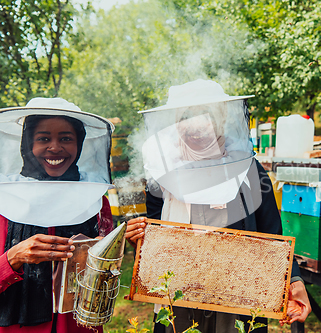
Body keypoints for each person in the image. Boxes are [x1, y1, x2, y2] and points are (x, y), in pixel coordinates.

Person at [126, 80, 311, 333]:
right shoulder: (162, 175)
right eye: (186, 117)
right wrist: (138, 239)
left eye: (206, 116)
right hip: (178, 297)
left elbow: (273, 235)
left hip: (238, 298)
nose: (195, 125)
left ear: (222, 118)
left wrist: (295, 280)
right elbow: (153, 236)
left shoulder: (248, 169)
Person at [0, 98, 114, 332]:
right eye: (43, 138)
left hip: (79, 325)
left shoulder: (96, 200)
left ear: (80, 144)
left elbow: (108, 272)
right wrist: (13, 257)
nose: (55, 147)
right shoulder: (4, 198)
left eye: (66, 138)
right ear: (27, 144)